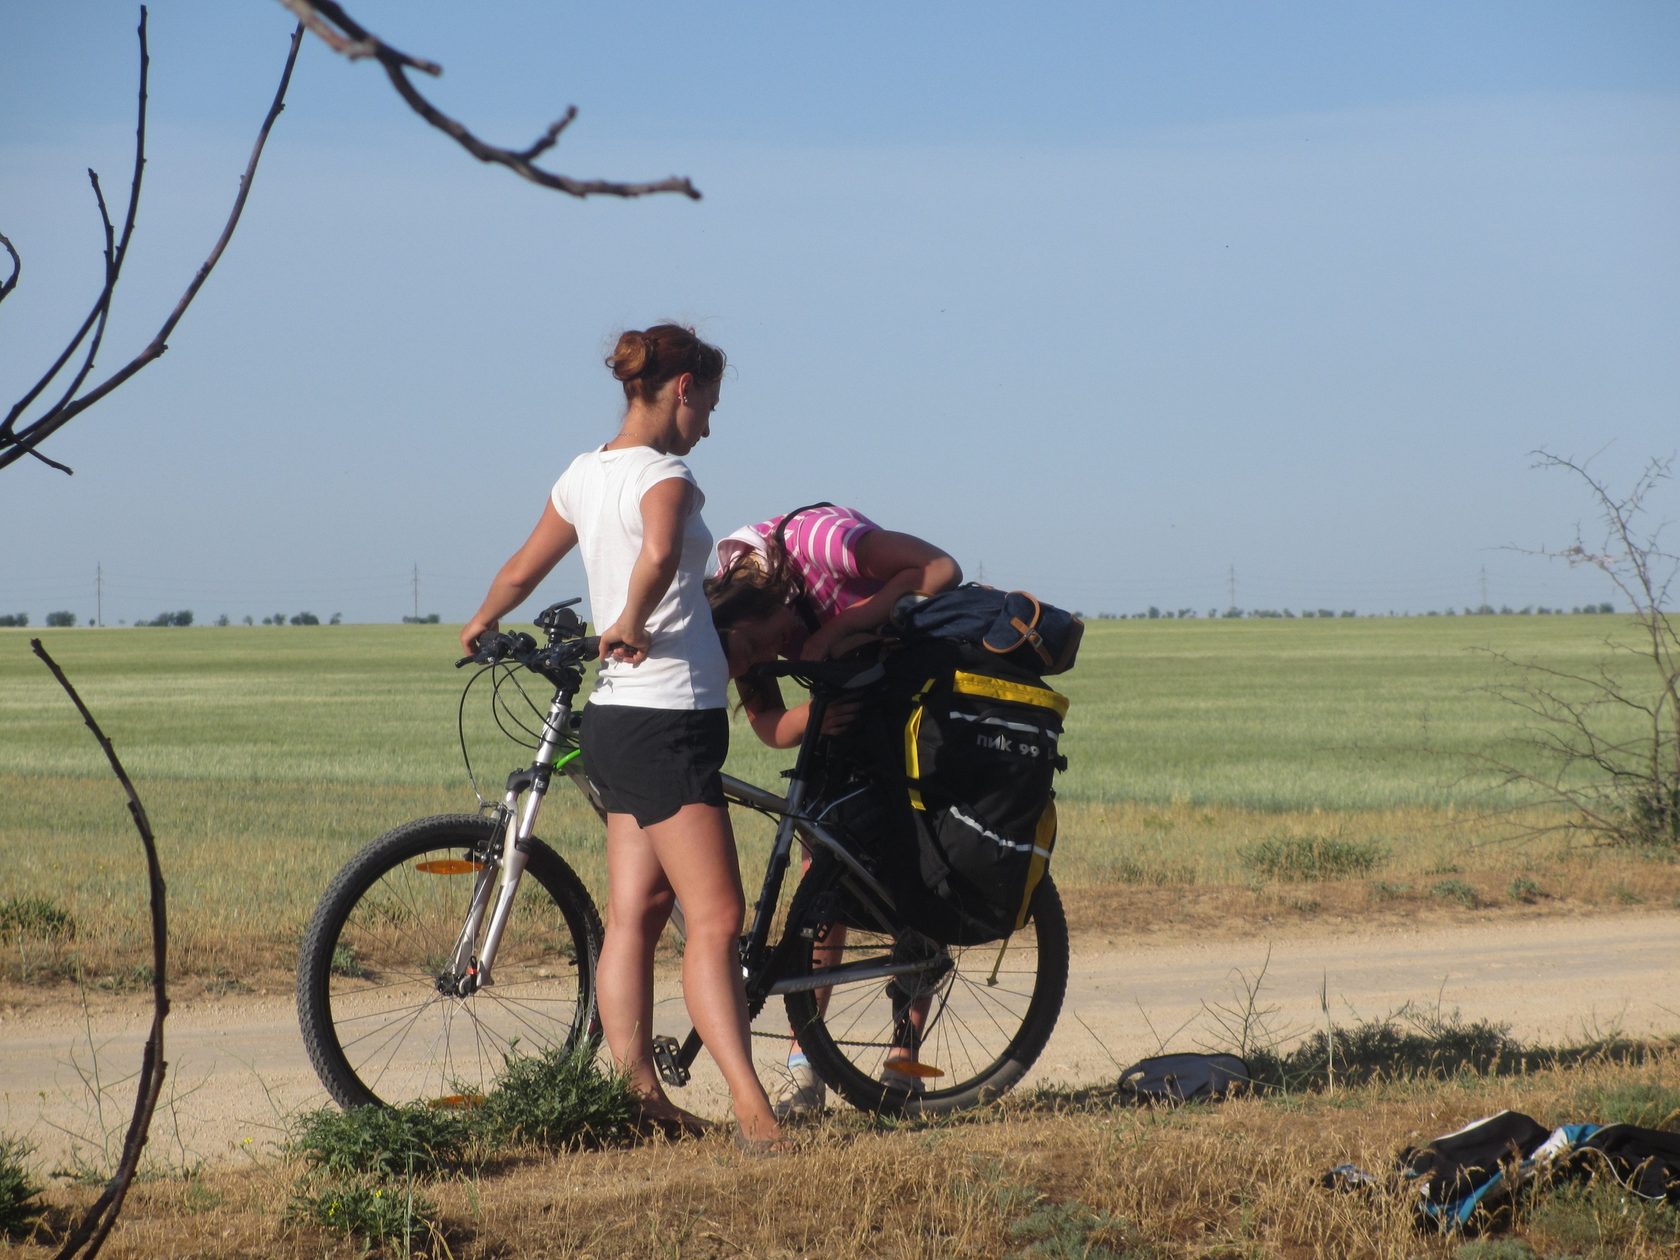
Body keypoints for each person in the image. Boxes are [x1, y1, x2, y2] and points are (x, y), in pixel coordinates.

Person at [461, 324, 782, 1150]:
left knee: (636, 912)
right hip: (669, 725)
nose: (708, 423)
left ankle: (642, 1097)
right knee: (717, 919)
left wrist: (484, 616)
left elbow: (527, 564)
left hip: (615, 723)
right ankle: (757, 1116)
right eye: (707, 404)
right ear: (682, 389)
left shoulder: (583, 472)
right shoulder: (667, 477)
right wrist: (632, 618)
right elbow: (661, 554)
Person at [705, 504, 961, 1117]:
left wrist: (839, 629)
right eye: (740, 666)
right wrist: (809, 719)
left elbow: (939, 569)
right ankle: (806, 1066)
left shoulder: (819, 539)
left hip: (916, 705)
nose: (762, 662)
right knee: (822, 885)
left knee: (913, 883)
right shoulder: (726, 622)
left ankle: (905, 1064)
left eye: (754, 648)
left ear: (760, 604)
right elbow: (768, 721)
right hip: (842, 716)